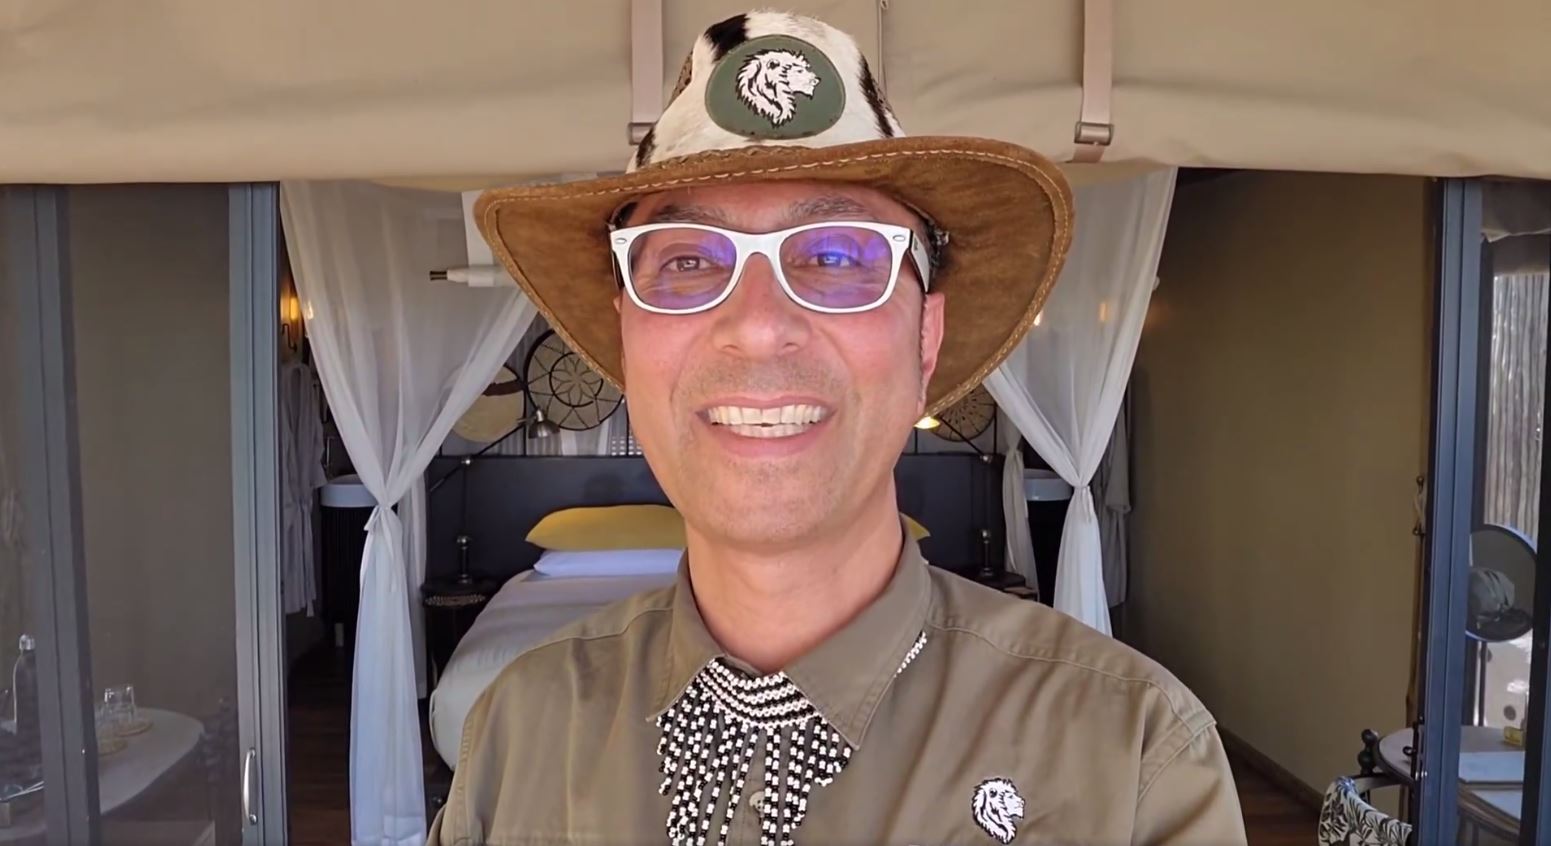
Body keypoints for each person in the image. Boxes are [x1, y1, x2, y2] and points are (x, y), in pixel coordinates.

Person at [429, 10, 1246, 845]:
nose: (756, 327)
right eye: (687, 260)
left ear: (924, 338)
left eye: (835, 257)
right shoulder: (520, 727)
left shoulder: (1126, 754)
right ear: (628, 340)